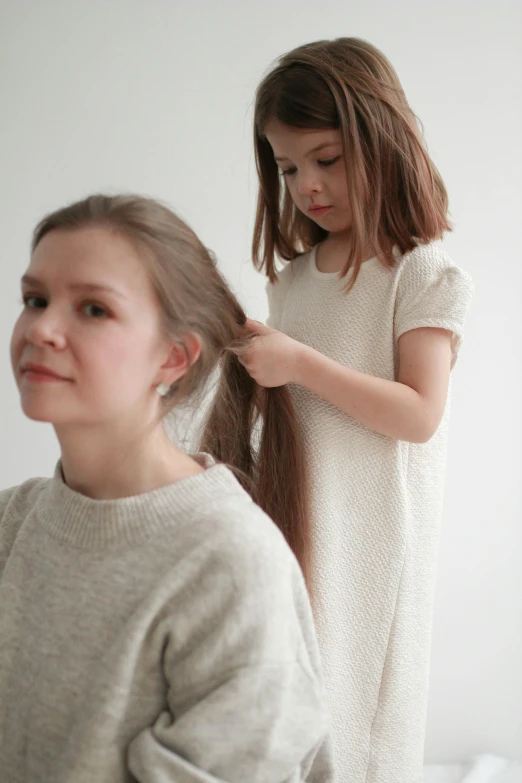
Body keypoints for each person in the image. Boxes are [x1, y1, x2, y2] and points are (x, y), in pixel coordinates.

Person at [0, 194, 334, 783]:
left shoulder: (232, 559)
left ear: (174, 358)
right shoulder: (14, 521)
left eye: (94, 309)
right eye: (35, 299)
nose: (43, 328)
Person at [239, 37, 474, 783]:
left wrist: (299, 362)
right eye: (287, 168)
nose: (306, 184)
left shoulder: (422, 269)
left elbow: (418, 413)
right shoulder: (296, 280)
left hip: (376, 528)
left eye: (326, 159)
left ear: (380, 139)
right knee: (297, 691)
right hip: (300, 513)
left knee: (367, 713)